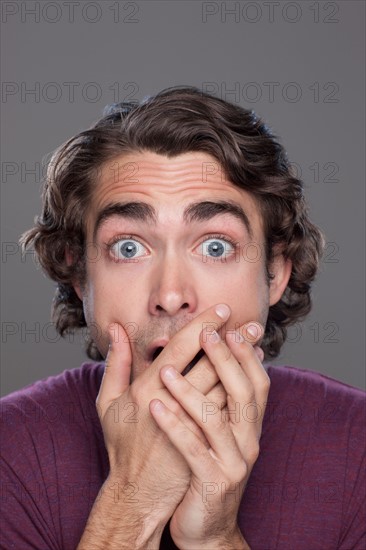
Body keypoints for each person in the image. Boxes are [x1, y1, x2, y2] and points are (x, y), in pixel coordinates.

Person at [0, 86, 364, 550]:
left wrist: (215, 541)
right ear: (80, 277)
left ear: (275, 274)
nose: (171, 296)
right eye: (128, 247)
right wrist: (132, 504)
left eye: (216, 246)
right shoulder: (10, 450)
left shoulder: (358, 448)